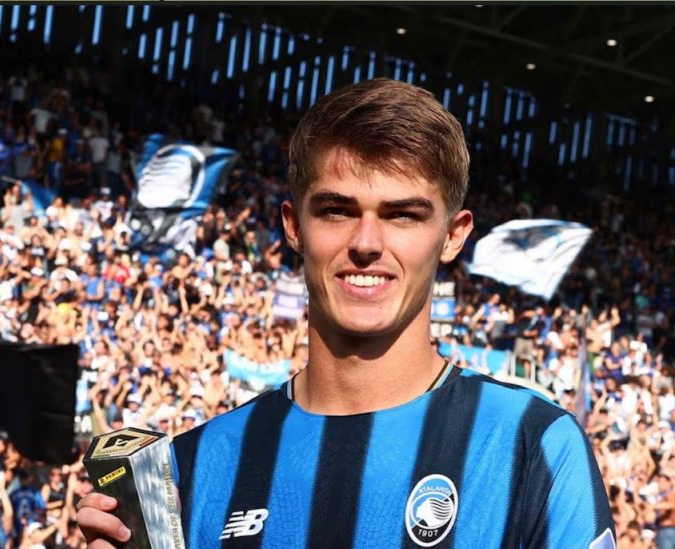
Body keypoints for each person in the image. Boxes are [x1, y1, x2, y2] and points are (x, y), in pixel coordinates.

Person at [76, 79, 615, 547]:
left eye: (403, 216)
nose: (366, 243)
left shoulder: (533, 447)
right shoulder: (190, 472)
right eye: (337, 210)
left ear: (453, 236)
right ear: (294, 226)